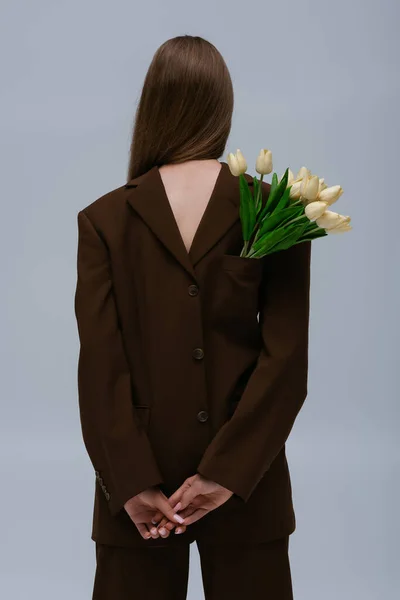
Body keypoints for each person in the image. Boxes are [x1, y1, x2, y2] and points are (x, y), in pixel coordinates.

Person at [74, 34, 312, 600]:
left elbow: (101, 372)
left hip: (159, 490)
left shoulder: (272, 211)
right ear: (222, 107)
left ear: (151, 107)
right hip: (242, 476)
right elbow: (287, 363)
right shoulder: (107, 220)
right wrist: (224, 474)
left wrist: (130, 484)